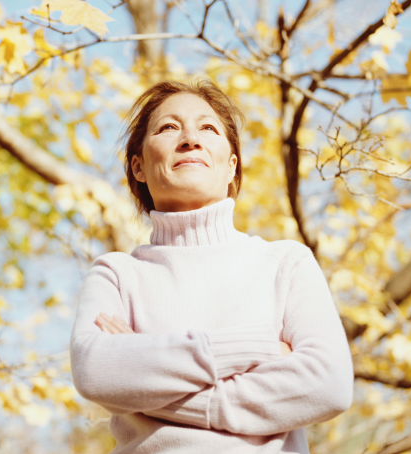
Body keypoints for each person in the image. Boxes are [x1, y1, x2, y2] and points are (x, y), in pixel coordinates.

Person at [69, 79, 353, 454]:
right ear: (138, 166)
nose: (190, 139)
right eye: (168, 127)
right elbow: (96, 372)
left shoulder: (287, 264)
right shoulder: (117, 274)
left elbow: (329, 385)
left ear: (232, 165)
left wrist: (147, 374)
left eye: (208, 128)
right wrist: (260, 347)